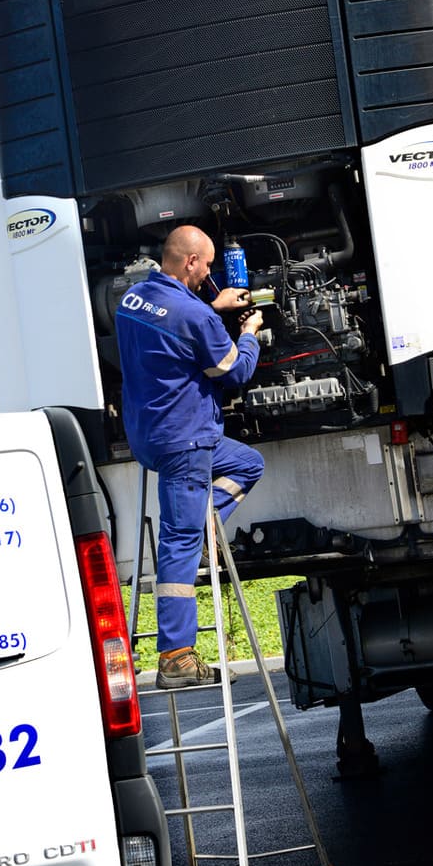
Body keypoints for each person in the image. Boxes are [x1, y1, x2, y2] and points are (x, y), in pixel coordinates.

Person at [115, 224, 264, 689]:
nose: (209, 275)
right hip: (186, 441)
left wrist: (211, 310)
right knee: (178, 542)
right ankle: (176, 656)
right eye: (207, 265)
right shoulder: (195, 316)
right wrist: (250, 333)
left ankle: (206, 524)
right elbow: (234, 372)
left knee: (248, 464)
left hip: (149, 435)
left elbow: (173, 320)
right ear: (191, 261)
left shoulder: (131, 300)